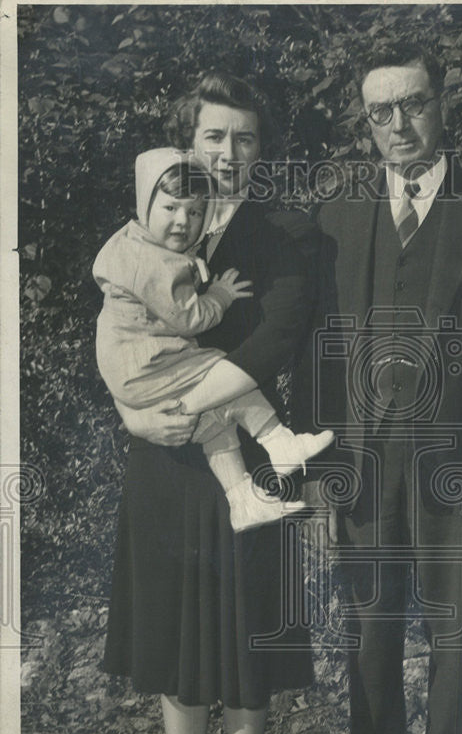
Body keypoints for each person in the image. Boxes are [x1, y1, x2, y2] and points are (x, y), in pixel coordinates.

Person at [298, 40, 462, 734]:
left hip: (456, 465)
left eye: (413, 104)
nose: (398, 124)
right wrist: (320, 475)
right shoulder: (337, 219)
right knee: (368, 631)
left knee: (458, 633)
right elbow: (315, 354)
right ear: (365, 122)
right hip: (361, 462)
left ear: (441, 102)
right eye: (380, 112)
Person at [102, 72, 321, 734]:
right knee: (177, 639)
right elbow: (121, 340)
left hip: (244, 460)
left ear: (263, 149)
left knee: (244, 639)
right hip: (164, 461)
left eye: (245, 138)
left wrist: (181, 406)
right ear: (186, 145)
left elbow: (271, 348)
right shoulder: (152, 228)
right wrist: (133, 416)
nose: (228, 154)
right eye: (214, 137)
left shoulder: (290, 237)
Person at [94, 147, 334, 531]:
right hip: (148, 365)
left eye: (193, 212)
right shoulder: (149, 261)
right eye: (170, 209)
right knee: (226, 372)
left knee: (216, 422)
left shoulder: (134, 245)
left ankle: (241, 499)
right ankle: (279, 441)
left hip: (133, 371)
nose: (181, 222)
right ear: (145, 205)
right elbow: (189, 317)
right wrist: (219, 297)